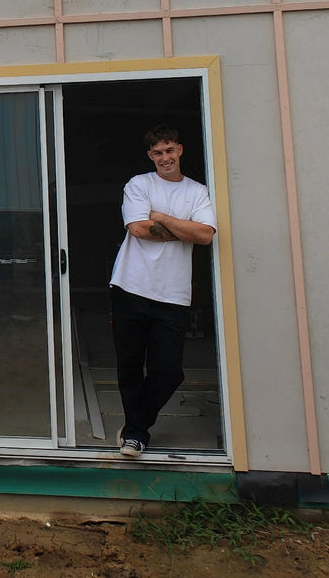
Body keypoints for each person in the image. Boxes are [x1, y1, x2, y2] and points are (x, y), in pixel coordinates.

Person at [110, 124, 216, 458]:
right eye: (158, 153)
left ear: (180, 150)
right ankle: (137, 436)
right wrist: (183, 229)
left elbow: (206, 236)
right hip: (130, 286)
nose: (165, 158)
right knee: (129, 365)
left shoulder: (197, 192)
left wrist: (164, 217)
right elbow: (139, 228)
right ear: (150, 156)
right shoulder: (139, 184)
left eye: (170, 150)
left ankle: (134, 425)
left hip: (172, 294)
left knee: (169, 371)